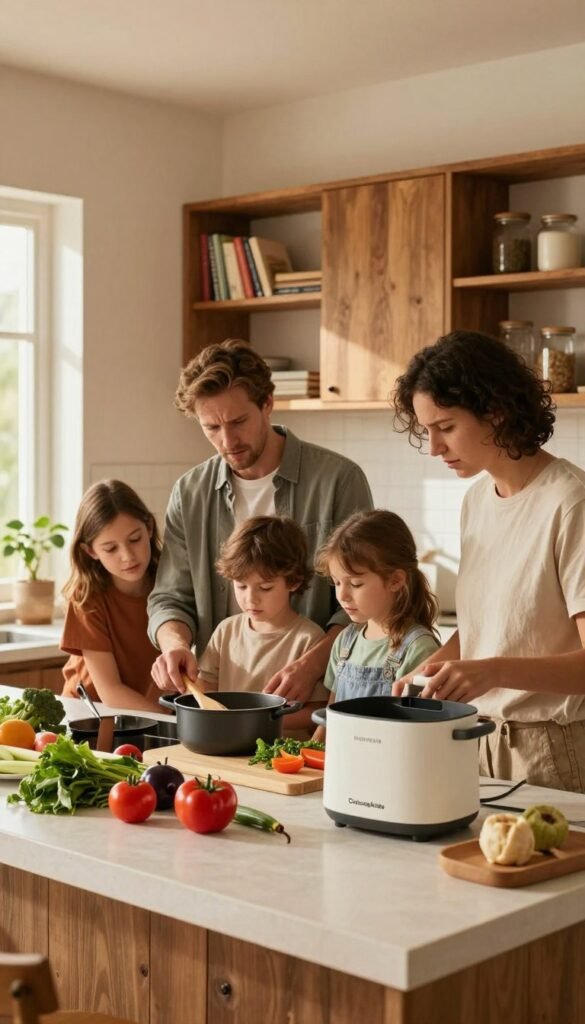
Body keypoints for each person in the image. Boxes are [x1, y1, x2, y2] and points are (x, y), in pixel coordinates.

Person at [392, 329, 585, 792]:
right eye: (426, 431)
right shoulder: (477, 500)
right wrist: (436, 664)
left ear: (495, 411)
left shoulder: (570, 503)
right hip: (477, 739)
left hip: (550, 751)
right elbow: (496, 621)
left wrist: (493, 670)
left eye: (446, 427)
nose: (434, 447)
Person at [148, 339, 373, 701]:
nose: (227, 440)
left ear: (268, 404)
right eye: (211, 428)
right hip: (218, 708)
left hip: (312, 701)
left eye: (238, 421)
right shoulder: (189, 492)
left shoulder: (338, 481)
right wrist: (174, 643)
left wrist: (315, 662)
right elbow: (170, 597)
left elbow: (366, 600)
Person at [312, 509, 440, 740]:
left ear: (395, 580)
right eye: (336, 582)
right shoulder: (345, 641)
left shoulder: (420, 649)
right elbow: (329, 719)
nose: (342, 595)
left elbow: (418, 736)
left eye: (356, 584)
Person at [197, 515, 327, 734]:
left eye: (265, 588)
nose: (251, 599)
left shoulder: (309, 639)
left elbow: (315, 713)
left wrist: (254, 723)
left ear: (294, 581)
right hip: (229, 748)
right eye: (241, 586)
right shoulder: (226, 631)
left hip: (282, 759)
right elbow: (205, 691)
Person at [61, 480, 164, 713]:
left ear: (149, 527)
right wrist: (175, 724)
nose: (127, 556)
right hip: (89, 716)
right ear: (91, 551)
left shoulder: (171, 582)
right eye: (110, 549)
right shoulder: (86, 598)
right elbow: (111, 691)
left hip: (147, 712)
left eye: (135, 539)